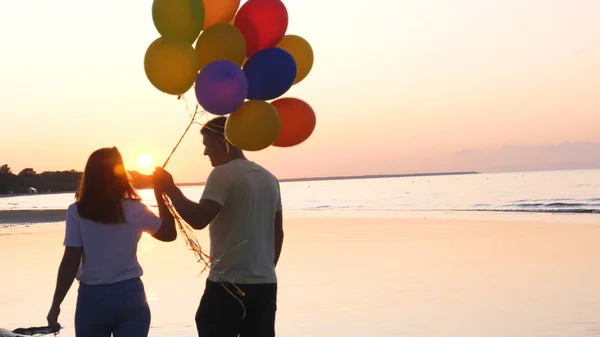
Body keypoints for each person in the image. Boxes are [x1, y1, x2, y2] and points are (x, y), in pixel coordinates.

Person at [153, 116, 284, 337]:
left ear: (223, 141)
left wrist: (170, 187)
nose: (205, 153)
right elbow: (277, 233)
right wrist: (265, 269)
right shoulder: (269, 178)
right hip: (265, 286)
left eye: (207, 144)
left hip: (227, 286)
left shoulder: (223, 174)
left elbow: (198, 219)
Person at [46, 147, 177, 337]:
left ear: (89, 175)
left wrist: (56, 305)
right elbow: (168, 234)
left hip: (93, 299)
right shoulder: (135, 208)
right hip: (131, 295)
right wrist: (159, 194)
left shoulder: (77, 211)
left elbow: (70, 261)